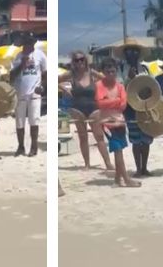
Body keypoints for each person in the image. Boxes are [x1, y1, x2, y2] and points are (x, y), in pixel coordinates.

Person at [59, 51, 111, 170]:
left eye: (82, 59)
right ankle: (87, 164)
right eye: (77, 60)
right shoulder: (71, 74)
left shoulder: (92, 73)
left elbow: (108, 81)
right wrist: (65, 89)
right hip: (78, 109)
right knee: (83, 138)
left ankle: (108, 163)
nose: (80, 62)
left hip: (94, 108)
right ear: (73, 62)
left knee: (99, 136)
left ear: (86, 60)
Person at [95, 59, 138, 188]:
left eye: (113, 71)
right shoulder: (100, 85)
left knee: (120, 150)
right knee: (118, 150)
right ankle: (126, 179)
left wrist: (111, 101)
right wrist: (117, 100)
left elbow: (123, 105)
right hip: (107, 123)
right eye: (107, 71)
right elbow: (100, 103)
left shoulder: (119, 86)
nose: (110, 73)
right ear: (103, 72)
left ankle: (117, 180)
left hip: (120, 122)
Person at [118, 42, 154, 175]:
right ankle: (138, 168)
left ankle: (144, 167)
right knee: (135, 139)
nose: (131, 54)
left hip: (146, 107)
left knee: (146, 139)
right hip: (130, 108)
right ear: (125, 54)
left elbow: (153, 85)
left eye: (134, 51)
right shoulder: (121, 68)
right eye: (128, 52)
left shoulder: (145, 68)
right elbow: (119, 87)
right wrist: (129, 78)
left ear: (138, 54)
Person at [10, 33, 47, 157]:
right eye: (26, 43)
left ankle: (34, 147)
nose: (28, 45)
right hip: (20, 93)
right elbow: (12, 76)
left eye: (30, 42)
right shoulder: (18, 56)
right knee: (19, 121)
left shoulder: (40, 55)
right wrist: (22, 64)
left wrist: (43, 86)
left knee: (34, 120)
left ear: (33, 43)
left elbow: (46, 72)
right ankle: (20, 147)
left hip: (34, 93)